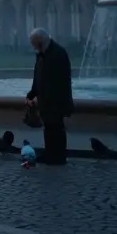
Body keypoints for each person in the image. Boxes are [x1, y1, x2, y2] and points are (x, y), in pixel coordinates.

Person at [25, 27, 73, 165]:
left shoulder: (58, 54)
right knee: (49, 128)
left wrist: (47, 96)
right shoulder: (43, 54)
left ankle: (58, 156)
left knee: (56, 127)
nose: (34, 48)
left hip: (56, 100)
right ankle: (50, 153)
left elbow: (61, 80)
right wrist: (32, 93)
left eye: (35, 44)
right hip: (46, 99)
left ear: (41, 42)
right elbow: (38, 76)